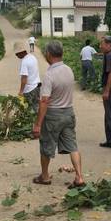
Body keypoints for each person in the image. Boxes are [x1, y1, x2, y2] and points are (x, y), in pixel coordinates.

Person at [32, 41, 84, 187]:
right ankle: (79, 177)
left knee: (46, 146)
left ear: (48, 54)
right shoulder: (69, 70)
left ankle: (45, 176)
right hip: (69, 113)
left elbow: (44, 101)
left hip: (53, 115)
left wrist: (38, 124)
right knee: (73, 146)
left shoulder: (49, 74)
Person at [14, 41, 41, 114]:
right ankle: (39, 123)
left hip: (29, 90)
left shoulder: (24, 62)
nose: (16, 55)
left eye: (17, 54)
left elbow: (24, 79)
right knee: (36, 106)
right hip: (37, 87)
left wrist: (21, 91)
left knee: (27, 110)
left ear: (21, 52)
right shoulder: (33, 57)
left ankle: (32, 124)